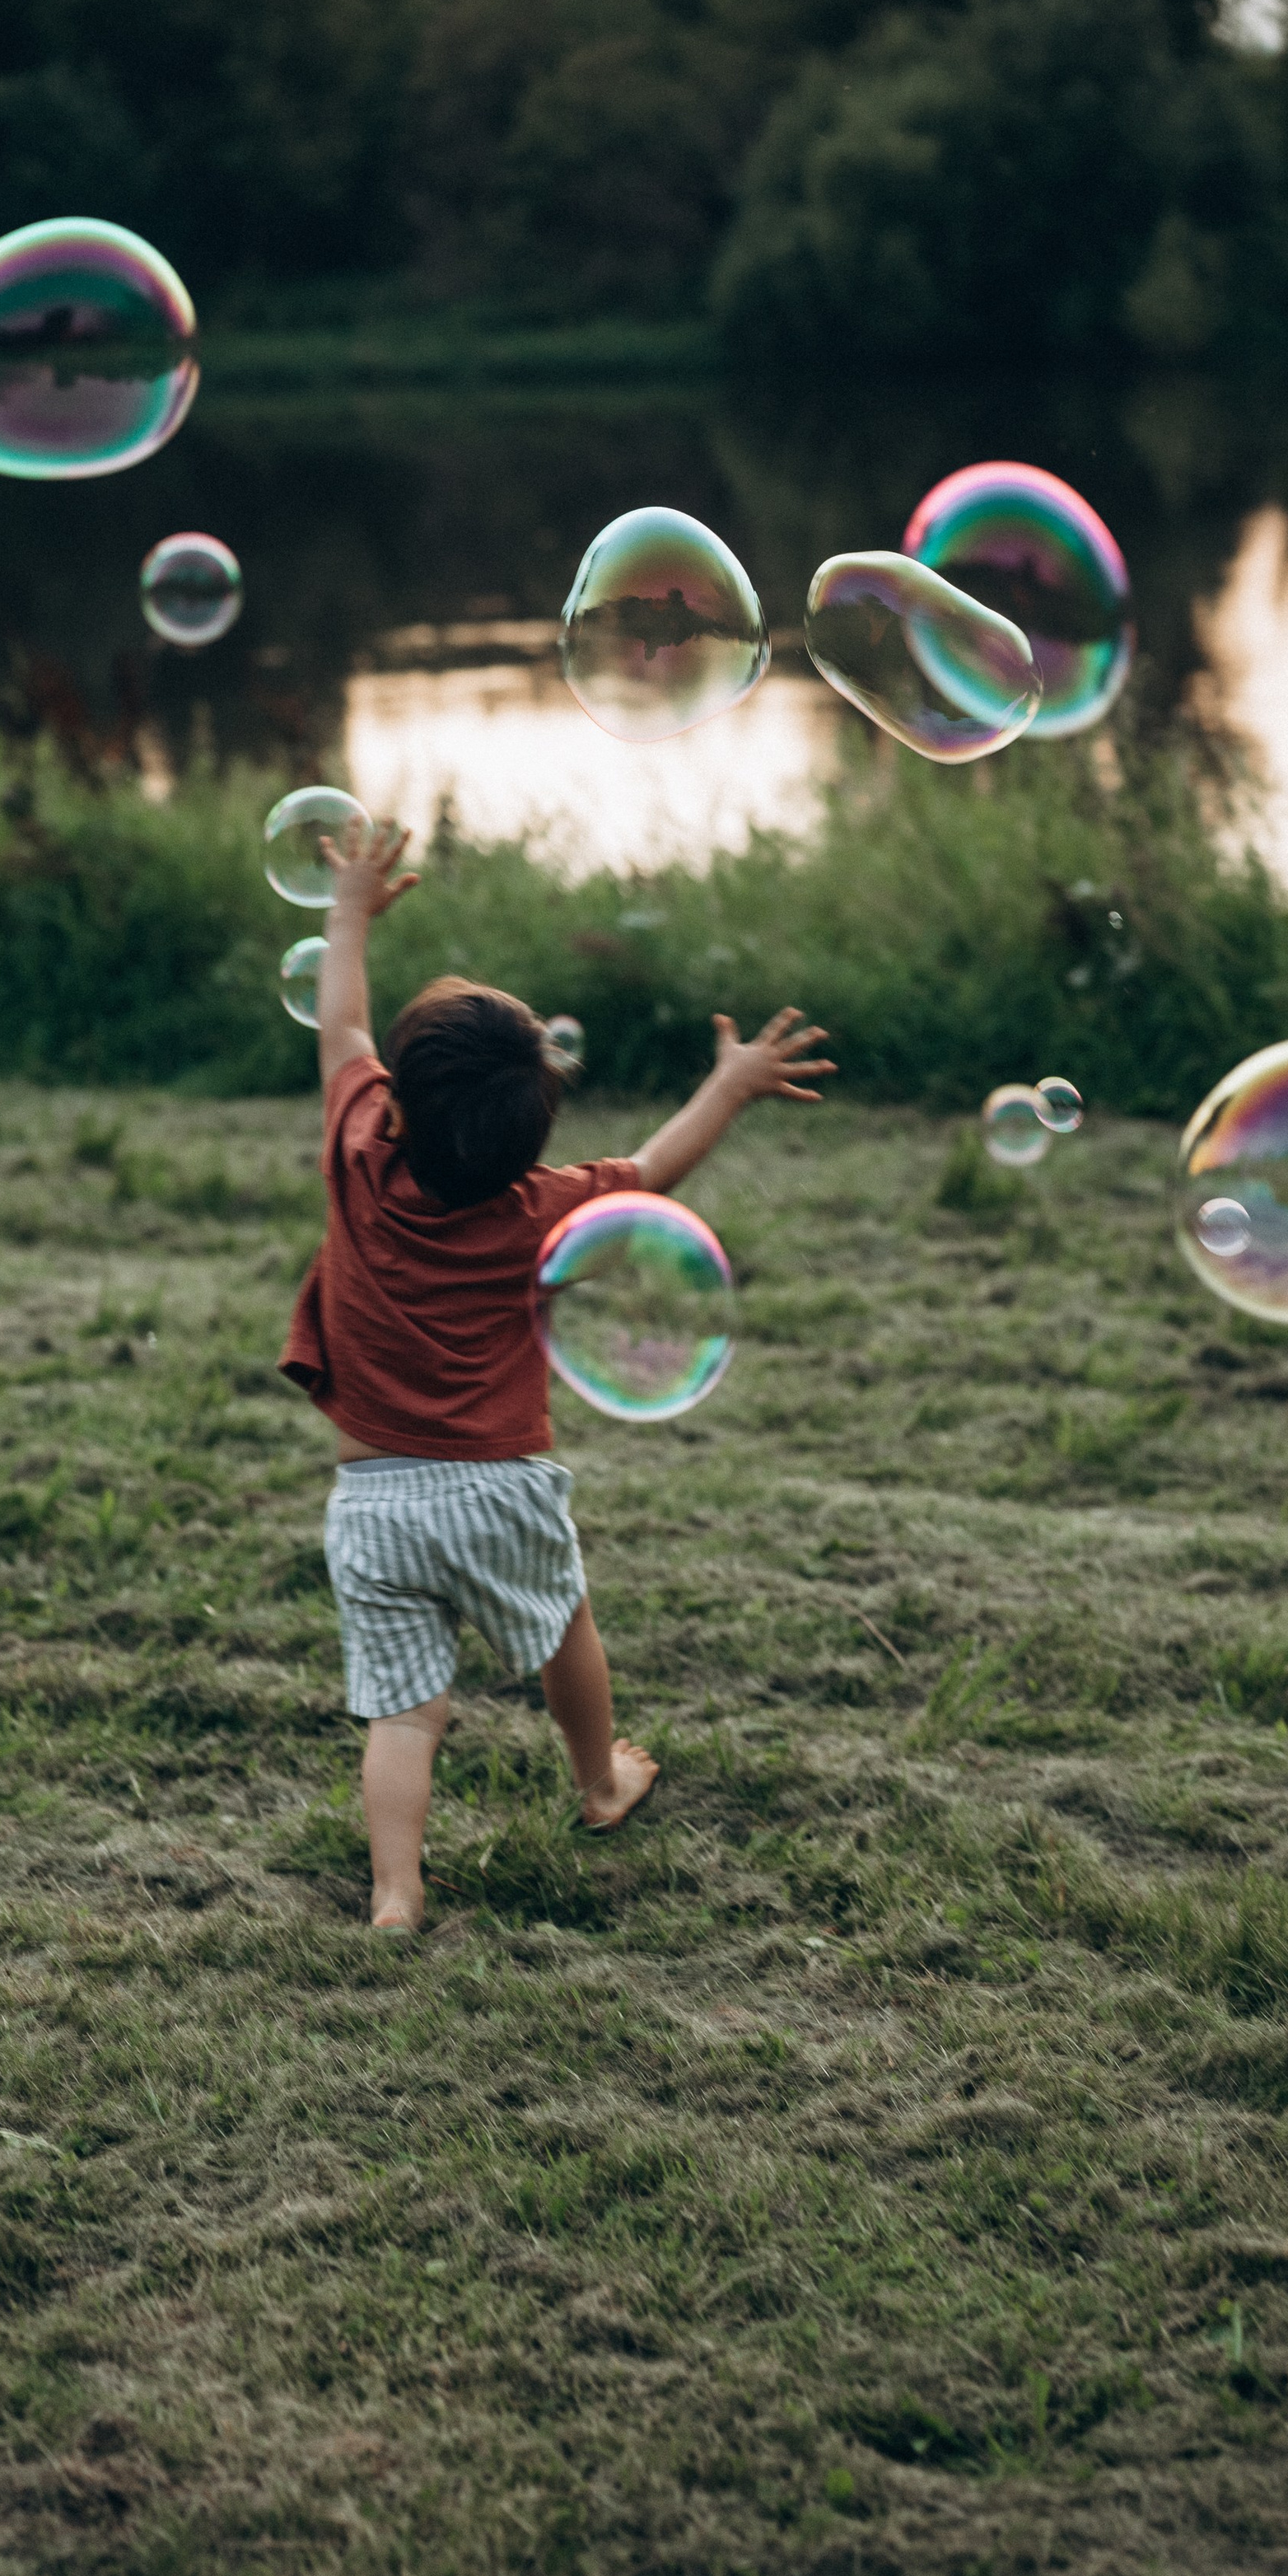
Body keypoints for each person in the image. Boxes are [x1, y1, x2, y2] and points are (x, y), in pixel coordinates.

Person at [279, 823, 833, 1929]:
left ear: (394, 1104)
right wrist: (730, 1084)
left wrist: (348, 912)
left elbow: (341, 1019)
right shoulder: (544, 1207)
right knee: (559, 1625)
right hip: (499, 1486)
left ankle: (395, 1892)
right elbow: (660, 1167)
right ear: (529, 1141)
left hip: (372, 1500)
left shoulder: (358, 1146)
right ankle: (600, 1779)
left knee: (405, 1711)